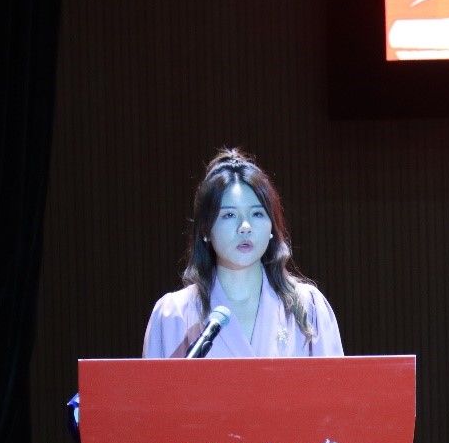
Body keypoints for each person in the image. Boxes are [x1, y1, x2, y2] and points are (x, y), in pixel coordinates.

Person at [142, 147, 343, 358]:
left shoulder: (307, 307)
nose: (245, 226)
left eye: (257, 214)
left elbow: (336, 380)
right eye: (229, 215)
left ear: (272, 227)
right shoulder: (173, 314)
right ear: (205, 229)